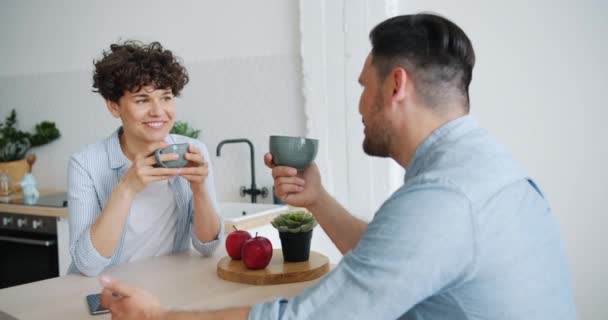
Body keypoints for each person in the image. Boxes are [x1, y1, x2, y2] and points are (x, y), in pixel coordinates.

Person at [99, 13, 576, 319]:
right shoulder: (479, 167)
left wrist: (157, 318)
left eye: (364, 86)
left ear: (396, 86)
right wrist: (318, 201)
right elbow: (395, 252)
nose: (361, 105)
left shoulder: (444, 198)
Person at [68, 41, 223, 276]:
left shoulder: (193, 151)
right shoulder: (86, 164)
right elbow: (87, 265)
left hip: (163, 290)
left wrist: (199, 188)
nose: (158, 111)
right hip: (106, 293)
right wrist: (127, 187)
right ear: (113, 106)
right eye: (142, 100)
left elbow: (208, 246)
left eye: (166, 97)